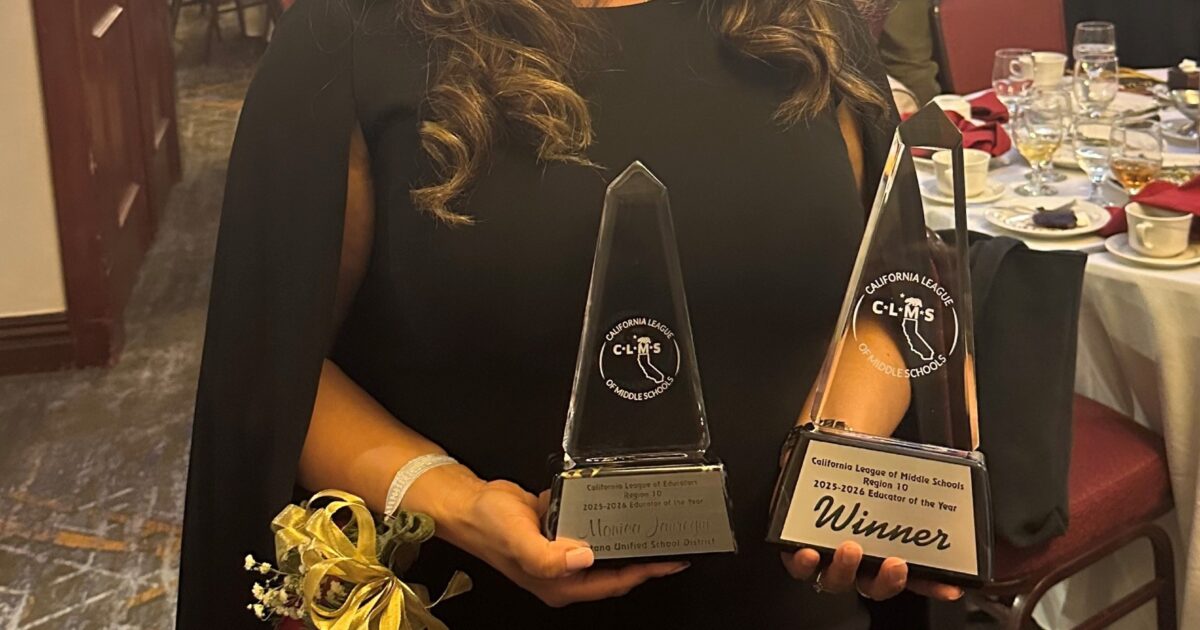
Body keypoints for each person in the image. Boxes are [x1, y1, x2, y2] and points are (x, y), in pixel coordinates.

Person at [176, 0, 963, 627]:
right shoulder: (352, 36)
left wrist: (838, 465)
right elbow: (271, 367)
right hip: (476, 597)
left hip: (785, 603)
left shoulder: (804, 22)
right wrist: (457, 503)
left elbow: (890, 297)